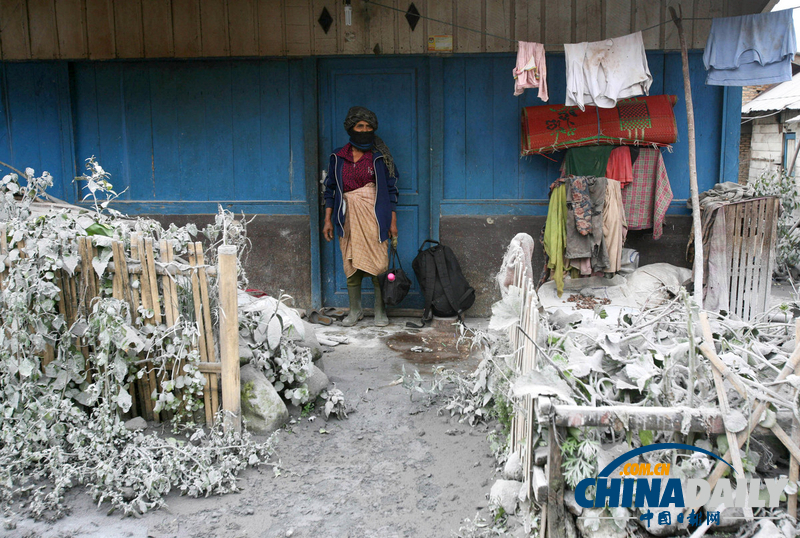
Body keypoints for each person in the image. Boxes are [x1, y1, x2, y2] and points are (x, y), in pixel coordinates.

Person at [323, 106, 399, 327]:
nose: (364, 130)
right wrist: (328, 219)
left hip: (374, 215)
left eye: (369, 127)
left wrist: (392, 222)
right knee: (351, 261)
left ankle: (379, 311)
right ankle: (355, 310)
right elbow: (330, 190)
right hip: (346, 216)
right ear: (351, 128)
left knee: (378, 263)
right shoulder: (338, 157)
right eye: (360, 126)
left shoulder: (379, 157)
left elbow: (392, 190)